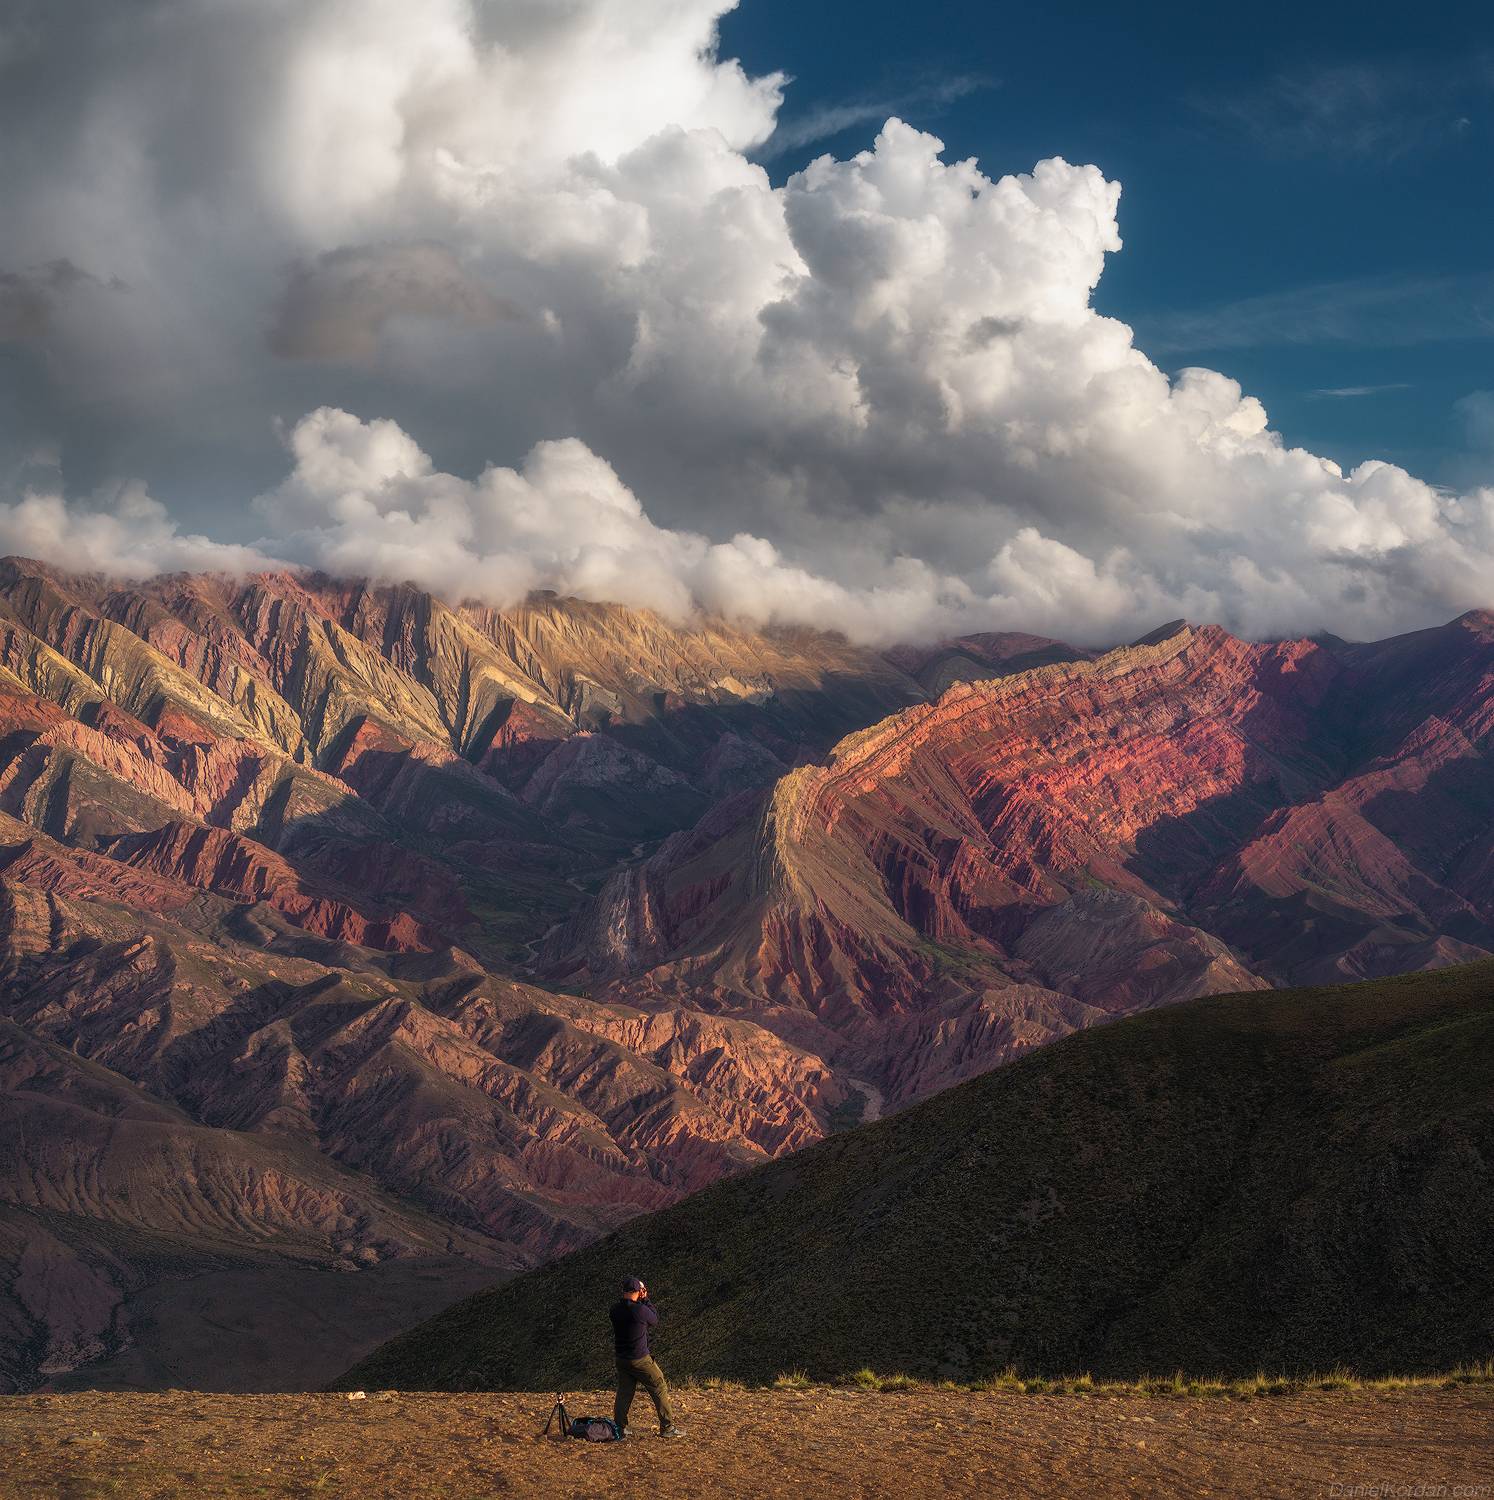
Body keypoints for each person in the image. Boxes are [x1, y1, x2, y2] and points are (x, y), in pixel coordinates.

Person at [609, 1275, 684, 1438]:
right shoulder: (640, 1310)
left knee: (624, 1393)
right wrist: (646, 1299)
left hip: (621, 1359)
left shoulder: (614, 1310)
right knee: (659, 1386)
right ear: (638, 1291)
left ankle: (619, 1429)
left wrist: (639, 1298)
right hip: (640, 1359)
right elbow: (654, 1319)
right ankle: (667, 1427)